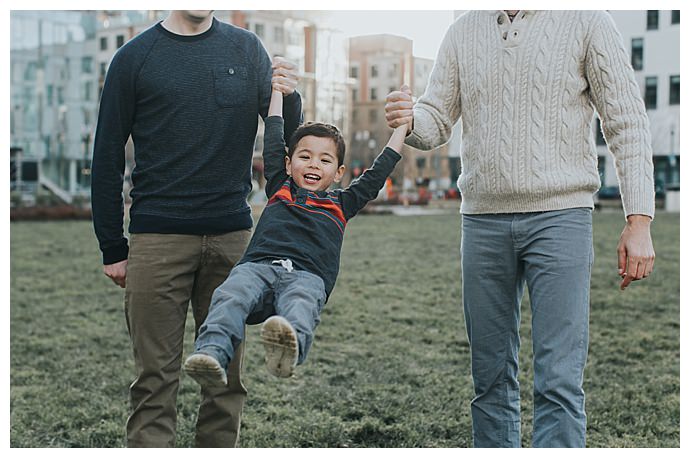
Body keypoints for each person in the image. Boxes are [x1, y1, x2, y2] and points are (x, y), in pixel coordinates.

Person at [385, 10, 655, 448]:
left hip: (560, 218)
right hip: (482, 223)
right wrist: (411, 119)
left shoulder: (587, 20)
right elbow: (437, 116)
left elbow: (626, 121)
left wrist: (638, 219)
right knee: (489, 380)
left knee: (559, 382)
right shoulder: (462, 31)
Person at [91, 10, 303, 448]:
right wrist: (113, 245)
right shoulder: (133, 58)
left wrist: (291, 94)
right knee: (154, 383)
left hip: (232, 241)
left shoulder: (247, 50)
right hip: (157, 242)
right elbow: (107, 154)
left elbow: (285, 135)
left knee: (226, 382)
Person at [182, 81, 409, 386]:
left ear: (339, 172)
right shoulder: (280, 186)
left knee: (300, 305)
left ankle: (287, 350)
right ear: (289, 164)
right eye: (305, 156)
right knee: (229, 294)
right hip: (258, 268)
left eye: (325, 160)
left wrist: (402, 128)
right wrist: (277, 91)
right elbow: (274, 135)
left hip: (306, 276)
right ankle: (211, 353)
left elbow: (379, 171)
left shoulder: (343, 202)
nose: (314, 164)